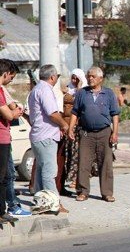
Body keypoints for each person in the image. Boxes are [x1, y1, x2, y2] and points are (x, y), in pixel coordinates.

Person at [68, 66, 120, 203]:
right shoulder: (82, 93)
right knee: (84, 163)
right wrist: (70, 129)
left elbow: (115, 114)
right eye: (88, 76)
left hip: (104, 132)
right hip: (86, 133)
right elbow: (75, 113)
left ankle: (107, 193)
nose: (90, 78)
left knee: (106, 163)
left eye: (93, 76)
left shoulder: (109, 94)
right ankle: (83, 192)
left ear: (100, 79)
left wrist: (115, 132)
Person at [28, 64, 70, 212]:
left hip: (38, 135)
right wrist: (64, 124)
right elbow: (52, 113)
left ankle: (42, 202)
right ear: (52, 77)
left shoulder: (35, 89)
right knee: (49, 172)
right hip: (46, 137)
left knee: (40, 172)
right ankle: (54, 204)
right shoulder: (45, 90)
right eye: (57, 77)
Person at [1, 60, 29, 220]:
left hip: (6, 137)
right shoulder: (0, 90)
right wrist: (15, 113)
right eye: (11, 76)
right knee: (6, 176)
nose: (11, 80)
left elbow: (12, 107)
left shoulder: (3, 90)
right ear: (5, 74)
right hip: (2, 139)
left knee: (7, 175)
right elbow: (10, 114)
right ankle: (9, 207)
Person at [64, 69, 88, 189]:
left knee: (79, 155)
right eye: (72, 78)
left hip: (81, 127)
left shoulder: (85, 90)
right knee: (71, 154)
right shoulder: (67, 88)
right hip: (69, 126)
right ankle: (72, 178)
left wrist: (79, 87)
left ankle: (78, 180)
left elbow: (81, 103)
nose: (74, 81)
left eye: (76, 79)